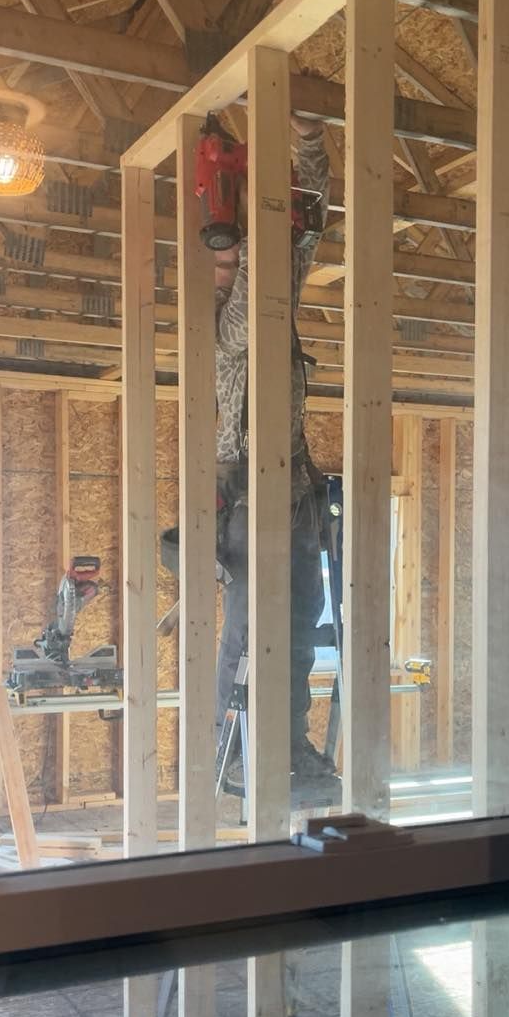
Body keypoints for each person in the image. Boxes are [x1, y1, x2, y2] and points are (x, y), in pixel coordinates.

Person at [214, 112, 341, 804]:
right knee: (245, 636)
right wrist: (256, 214)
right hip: (244, 501)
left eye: (235, 258)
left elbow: (310, 229)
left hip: (293, 496)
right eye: (223, 262)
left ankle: (289, 746)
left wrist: (309, 146)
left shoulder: (270, 307)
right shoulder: (224, 328)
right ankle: (231, 753)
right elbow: (268, 277)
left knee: (298, 633)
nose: (231, 271)